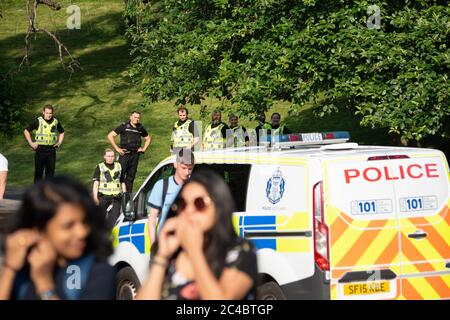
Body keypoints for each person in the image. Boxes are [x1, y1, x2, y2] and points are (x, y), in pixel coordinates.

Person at [136, 169, 257, 300]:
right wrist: (162, 256)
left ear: (219, 206)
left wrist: (194, 250)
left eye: (199, 203)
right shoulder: (173, 254)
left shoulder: (239, 250)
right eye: (182, 204)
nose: (189, 211)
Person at [0, 176, 116, 300]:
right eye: (68, 226)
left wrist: (45, 286)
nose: (82, 232)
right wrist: (10, 269)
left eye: (85, 222)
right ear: (38, 228)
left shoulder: (98, 272)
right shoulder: (21, 270)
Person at [147, 148, 195, 246]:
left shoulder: (195, 187)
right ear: (175, 164)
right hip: (165, 244)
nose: (187, 172)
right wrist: (154, 245)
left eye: (190, 169)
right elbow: (152, 219)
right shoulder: (161, 186)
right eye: (184, 168)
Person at [108, 111, 152, 193]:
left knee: (130, 177)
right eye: (135, 117)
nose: (137, 119)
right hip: (124, 155)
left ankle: (127, 199)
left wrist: (144, 149)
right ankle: (115, 195)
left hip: (135, 155)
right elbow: (110, 135)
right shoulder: (124, 126)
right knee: (119, 176)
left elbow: (148, 138)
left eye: (138, 118)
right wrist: (117, 148)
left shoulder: (140, 127)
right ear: (130, 117)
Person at [23, 105, 65, 182]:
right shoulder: (38, 121)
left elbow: (62, 132)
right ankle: (36, 193)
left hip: (51, 151)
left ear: (52, 113)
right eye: (47, 113)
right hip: (40, 150)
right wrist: (31, 143)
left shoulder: (55, 122)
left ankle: (47, 193)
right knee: (38, 174)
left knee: (50, 175)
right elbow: (26, 131)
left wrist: (59, 142)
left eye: (50, 113)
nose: (48, 115)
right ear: (43, 112)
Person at [92, 148, 126, 229]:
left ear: (114, 157)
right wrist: (95, 197)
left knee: (114, 221)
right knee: (100, 220)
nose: (110, 158)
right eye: (108, 156)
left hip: (116, 197)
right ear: (104, 157)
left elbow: (122, 182)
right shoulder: (100, 167)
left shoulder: (119, 166)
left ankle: (111, 238)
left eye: (112, 156)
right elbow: (96, 183)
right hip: (103, 197)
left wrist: (125, 195)